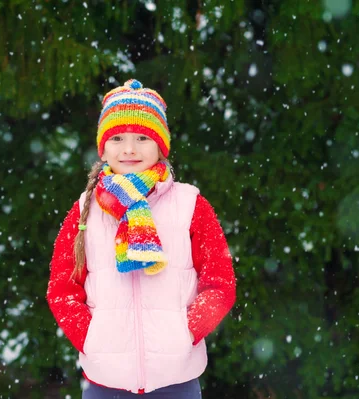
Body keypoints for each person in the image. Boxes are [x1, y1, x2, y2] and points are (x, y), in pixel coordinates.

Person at [46, 79, 236, 398]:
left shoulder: (190, 205)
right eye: (117, 137)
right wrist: (92, 338)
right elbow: (62, 288)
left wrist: (186, 332)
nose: (129, 149)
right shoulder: (84, 211)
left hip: (177, 380)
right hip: (105, 382)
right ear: (103, 147)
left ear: (160, 145)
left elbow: (219, 281)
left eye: (142, 137)